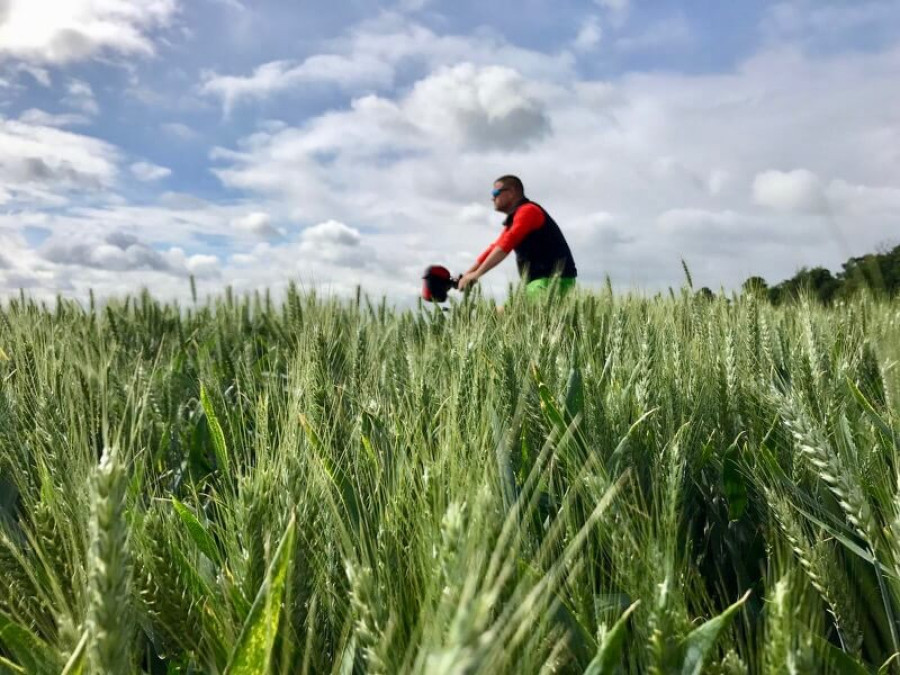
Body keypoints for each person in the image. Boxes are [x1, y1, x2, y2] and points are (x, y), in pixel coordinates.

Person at [457, 175, 577, 297]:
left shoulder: (529, 211)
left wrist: (477, 275)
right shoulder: (516, 217)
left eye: (495, 192)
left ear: (511, 192)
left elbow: (505, 246)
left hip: (552, 282)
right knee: (498, 314)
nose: (492, 198)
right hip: (540, 283)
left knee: (499, 314)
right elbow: (494, 247)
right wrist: (467, 275)